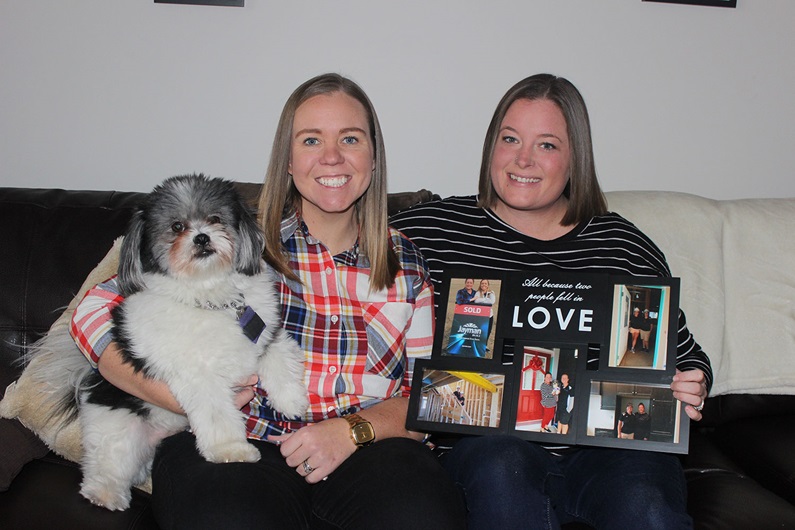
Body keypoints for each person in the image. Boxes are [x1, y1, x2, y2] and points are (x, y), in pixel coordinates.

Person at [69, 73, 465, 529]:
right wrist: (179, 395)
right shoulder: (235, 237)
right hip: (240, 441)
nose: (332, 157)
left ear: (373, 159)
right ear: (289, 162)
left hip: (366, 452)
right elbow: (95, 313)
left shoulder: (408, 264)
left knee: (421, 514)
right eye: (312, 140)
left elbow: (431, 399)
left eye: (350, 138)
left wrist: (351, 432)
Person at [391, 73, 711, 529]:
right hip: (487, 448)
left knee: (645, 503)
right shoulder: (429, 232)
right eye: (510, 138)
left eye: (547, 145)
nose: (523, 159)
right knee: (501, 468)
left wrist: (694, 383)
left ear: (574, 158)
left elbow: (686, 356)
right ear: (491, 147)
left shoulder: (622, 246)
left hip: (610, 454)